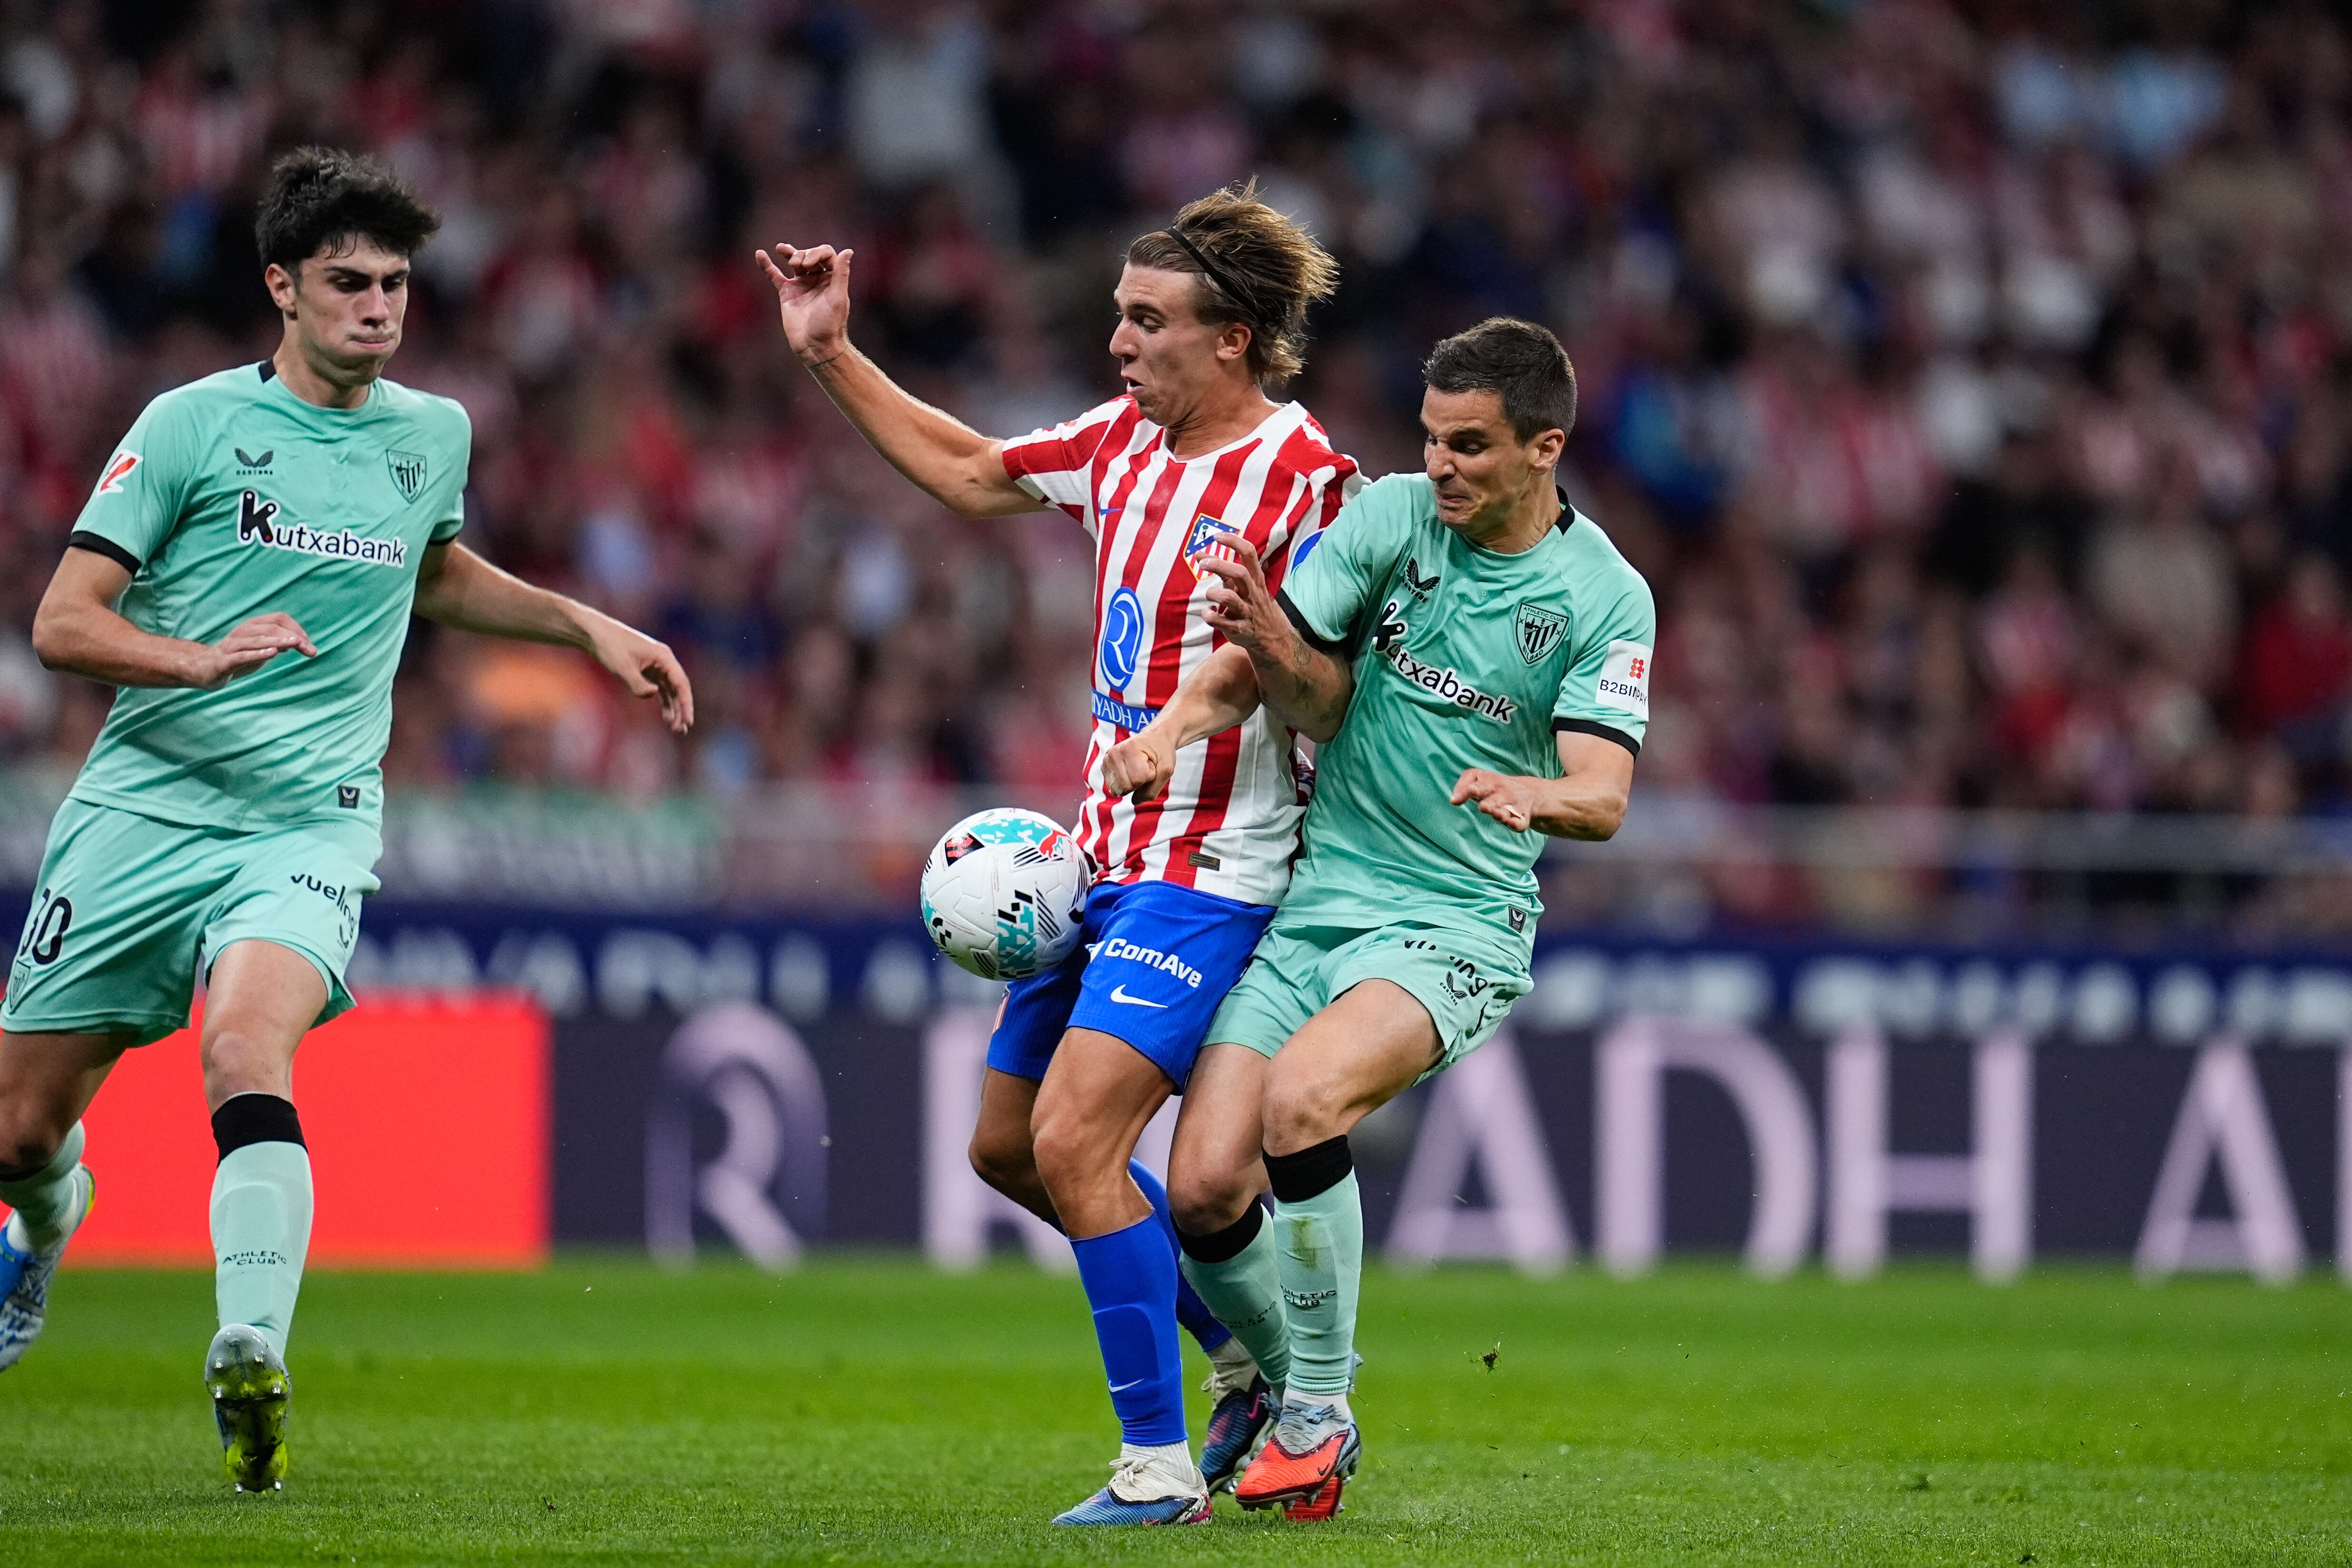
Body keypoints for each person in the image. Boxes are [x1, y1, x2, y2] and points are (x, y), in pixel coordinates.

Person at [0, 148, 693, 1491]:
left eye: (396, 286)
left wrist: (586, 623)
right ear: (283, 287)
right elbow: (60, 623)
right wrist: (191, 657)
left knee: (243, 1048)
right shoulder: (192, 425)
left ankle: (249, 1339)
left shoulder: (433, 434)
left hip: (307, 825)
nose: (379, 308)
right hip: (144, 808)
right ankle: (50, 1218)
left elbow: (433, 567)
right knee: (21, 1131)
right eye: (348, 284)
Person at [759, 183, 1359, 1524]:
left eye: (1148, 322)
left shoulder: (1309, 478)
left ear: (1236, 341)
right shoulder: (1118, 447)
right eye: (1117, 317)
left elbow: (1325, 678)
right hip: (1103, 860)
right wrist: (828, 352)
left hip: (1217, 870)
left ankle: (1157, 1471)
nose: (1119, 346)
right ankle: (1257, 1367)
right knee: (1008, 1148)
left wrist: (1221, 702)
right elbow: (976, 470)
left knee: (1082, 1140)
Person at [1101, 317, 1653, 1520]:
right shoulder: (1393, 518)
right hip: (1320, 903)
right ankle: (1290, 1379)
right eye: (1430, 439)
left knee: (1303, 1103)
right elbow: (1282, 673)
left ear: (1544, 447)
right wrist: (1170, 728)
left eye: (1470, 446)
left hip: (1456, 919)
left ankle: (1317, 1413)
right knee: (1200, 1190)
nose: (1440, 466)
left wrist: (1535, 794)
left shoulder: (1605, 596)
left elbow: (1604, 797)